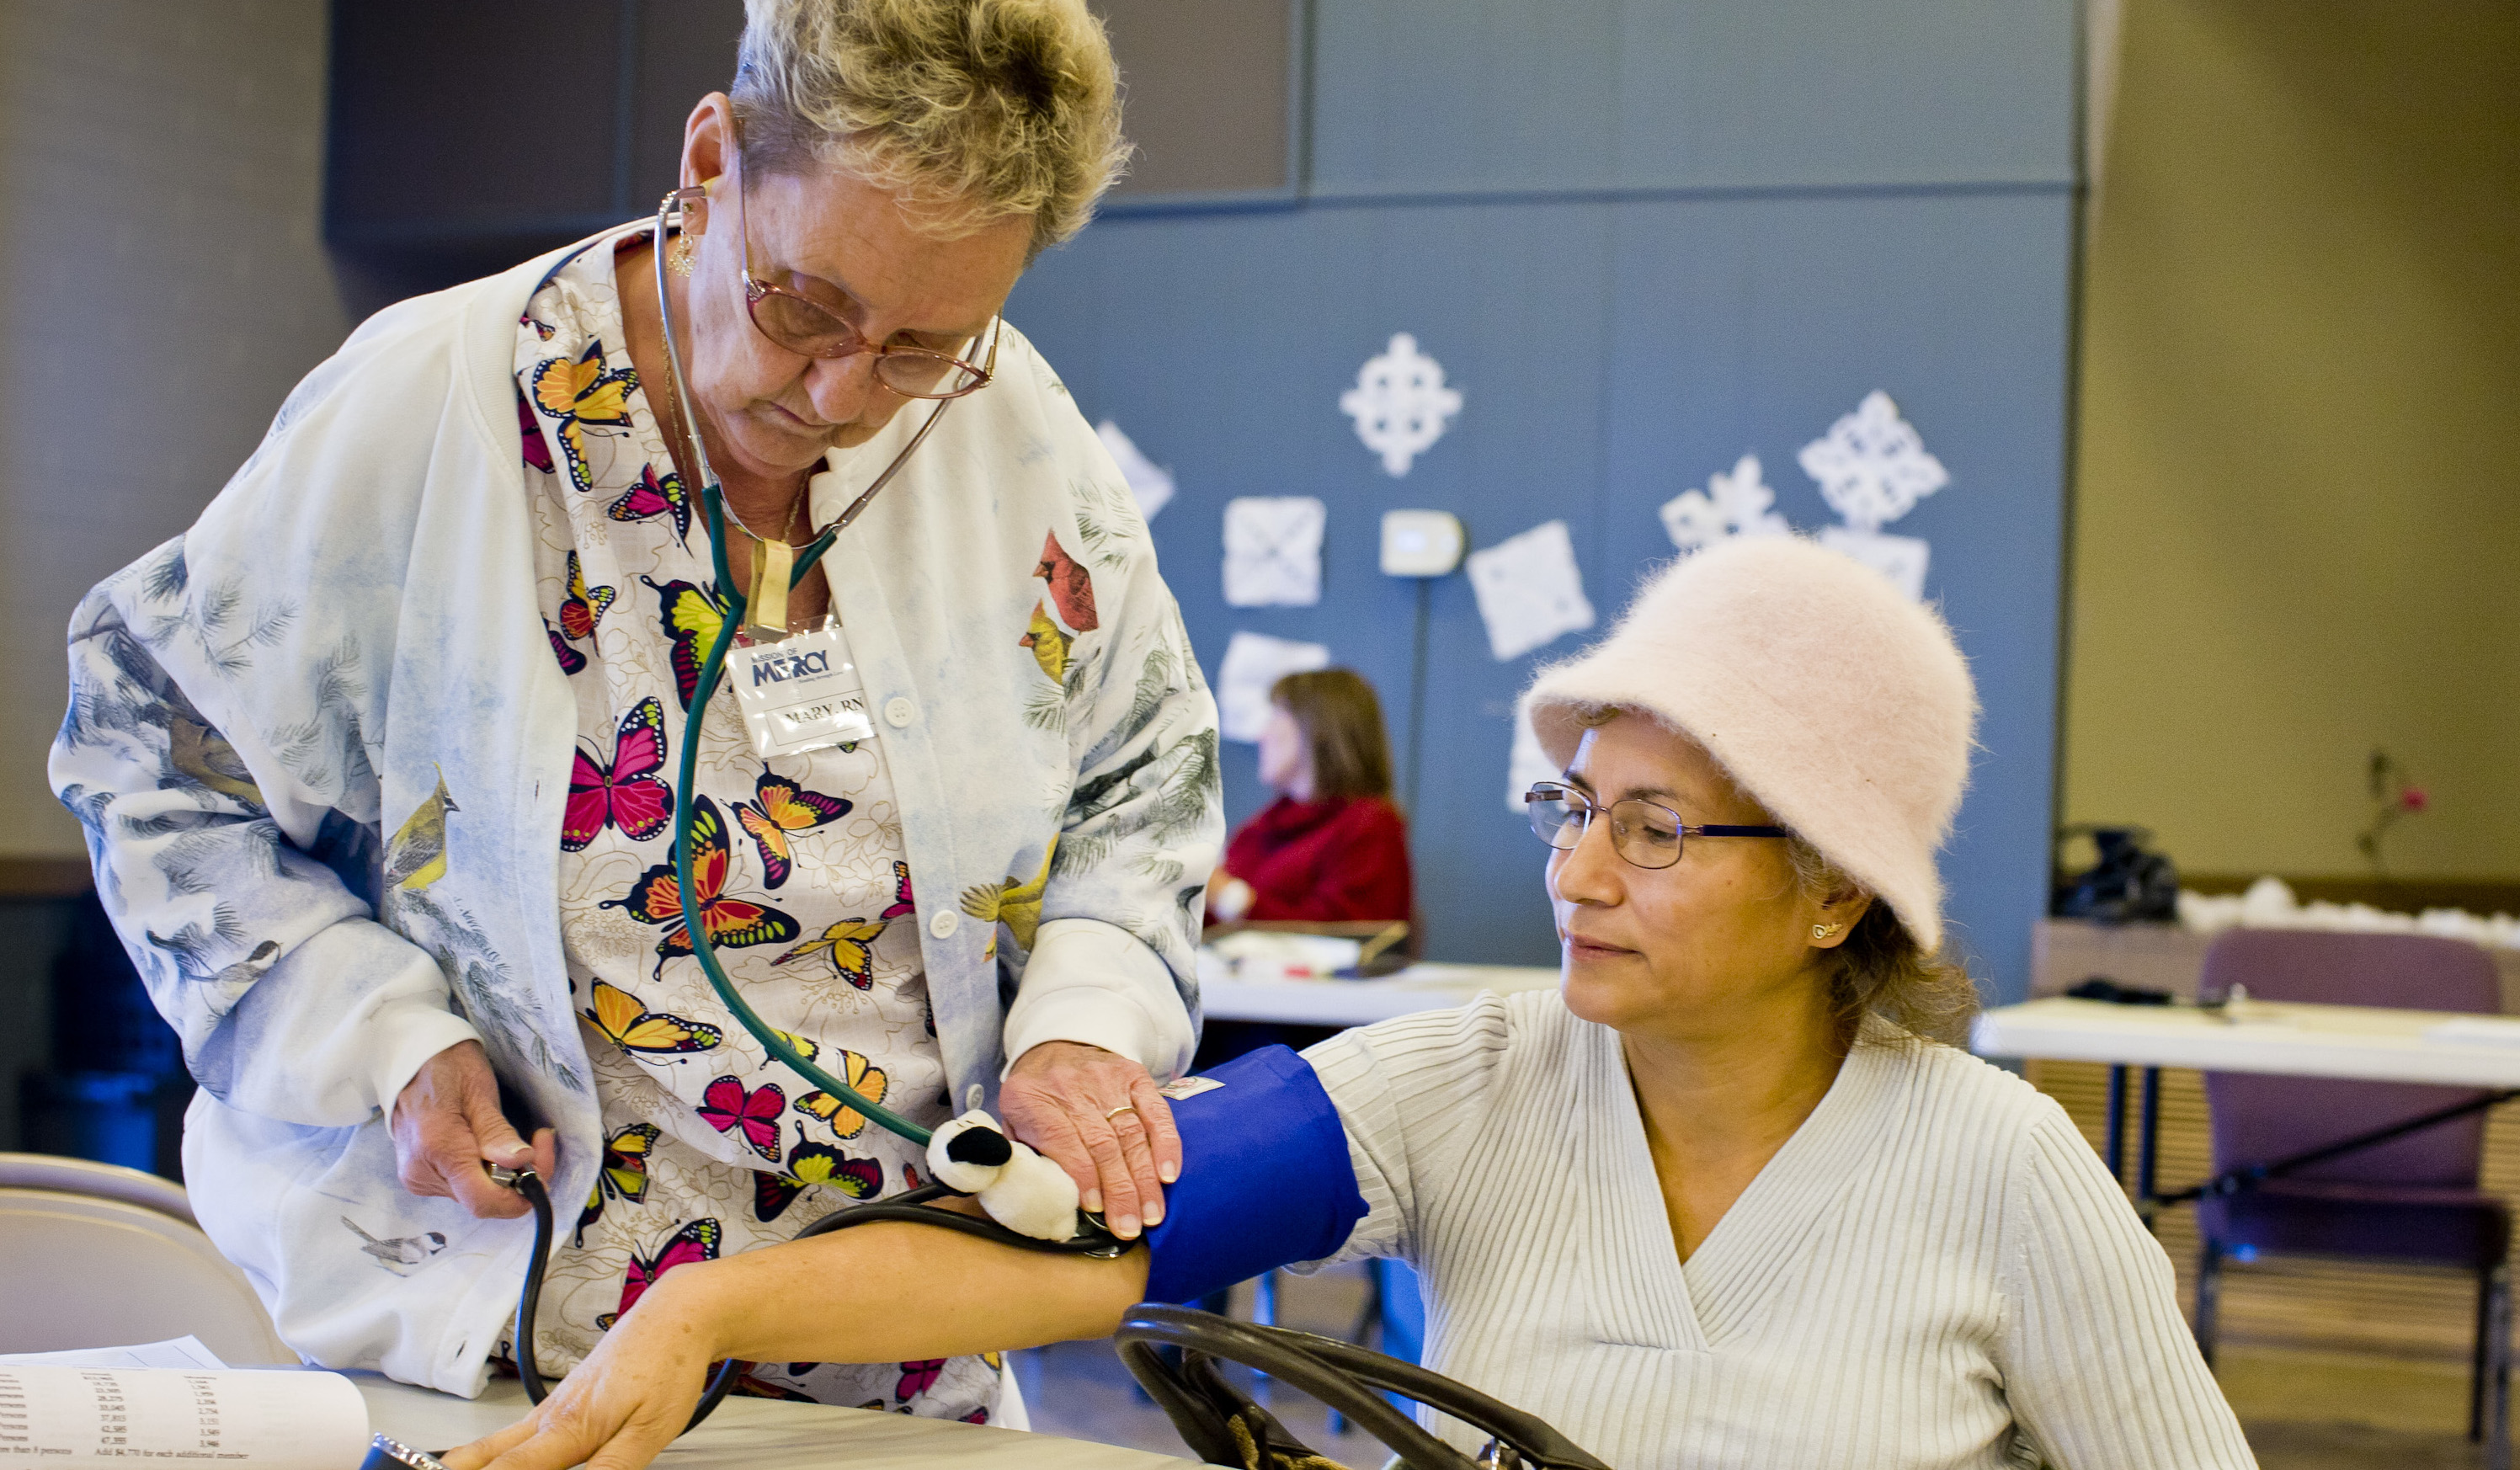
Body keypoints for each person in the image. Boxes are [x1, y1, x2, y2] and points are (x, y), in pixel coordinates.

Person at [445, 536, 2253, 1470]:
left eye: (1652, 830)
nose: (1574, 874)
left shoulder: (2000, 1171)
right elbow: (1080, 1246)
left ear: (1830, 887)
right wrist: (700, 1316)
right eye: (1570, 812)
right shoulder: (1464, 1079)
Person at [49, 0, 1222, 1418]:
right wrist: (379, 1036)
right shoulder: (430, 403)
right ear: (713, 156)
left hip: (892, 1366)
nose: (844, 395)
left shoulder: (1009, 429)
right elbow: (150, 744)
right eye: (806, 304)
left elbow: (1140, 776)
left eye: (922, 343)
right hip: (495, 1347)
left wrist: (1082, 1024)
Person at [1207, 668, 1411, 926]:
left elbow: (1342, 934)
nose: (1262, 735)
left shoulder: (1371, 824)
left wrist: (1230, 898)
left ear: (1318, 727)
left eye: (1276, 717)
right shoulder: (1262, 827)